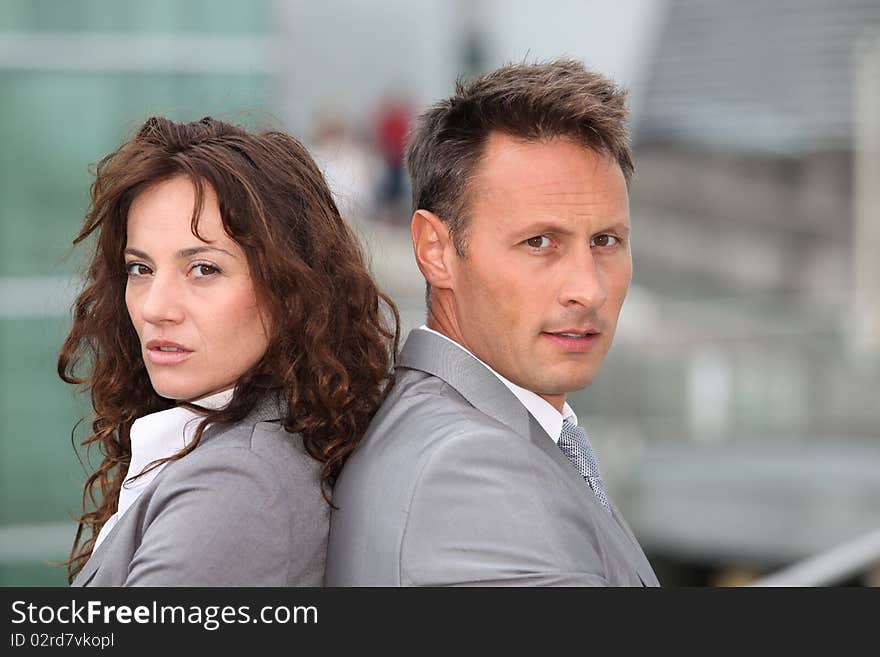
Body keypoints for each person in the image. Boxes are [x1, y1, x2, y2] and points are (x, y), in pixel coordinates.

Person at [326, 60, 660, 586]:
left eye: (606, 241)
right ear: (435, 250)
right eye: (539, 243)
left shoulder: (463, 431)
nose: (589, 289)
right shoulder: (469, 470)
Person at [58, 116, 399, 586]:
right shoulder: (238, 441)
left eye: (203, 269)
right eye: (140, 268)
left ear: (291, 289)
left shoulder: (239, 485)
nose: (155, 307)